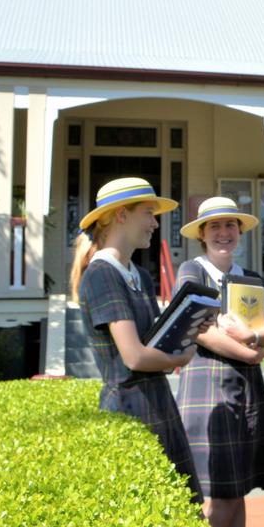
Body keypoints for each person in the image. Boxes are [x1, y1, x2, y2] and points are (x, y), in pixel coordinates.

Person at [69, 177, 201, 500]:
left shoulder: (138, 275)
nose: (155, 223)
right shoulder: (101, 275)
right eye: (148, 213)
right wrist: (179, 359)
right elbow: (135, 356)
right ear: (121, 215)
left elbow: (153, 343)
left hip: (158, 401)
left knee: (185, 507)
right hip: (129, 409)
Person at [174, 196, 264, 527]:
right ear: (202, 234)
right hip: (208, 388)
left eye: (231, 225)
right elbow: (200, 330)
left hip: (246, 392)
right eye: (215, 226)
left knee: (237, 491)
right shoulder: (193, 271)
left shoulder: (250, 277)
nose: (224, 233)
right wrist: (252, 354)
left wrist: (251, 337)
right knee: (219, 495)